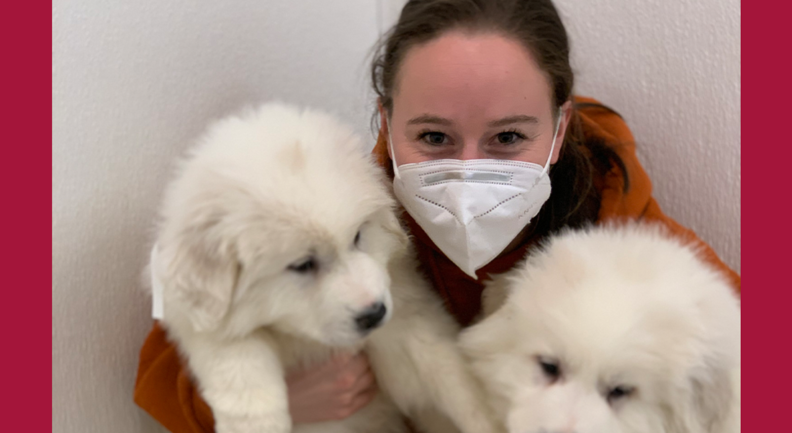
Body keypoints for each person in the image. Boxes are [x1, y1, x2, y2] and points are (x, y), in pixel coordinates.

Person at [134, 0, 741, 431]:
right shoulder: (343, 202)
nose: (467, 170)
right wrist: (275, 400)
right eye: (434, 137)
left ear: (559, 132)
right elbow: (169, 358)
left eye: (508, 137)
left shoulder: (615, 214)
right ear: (386, 121)